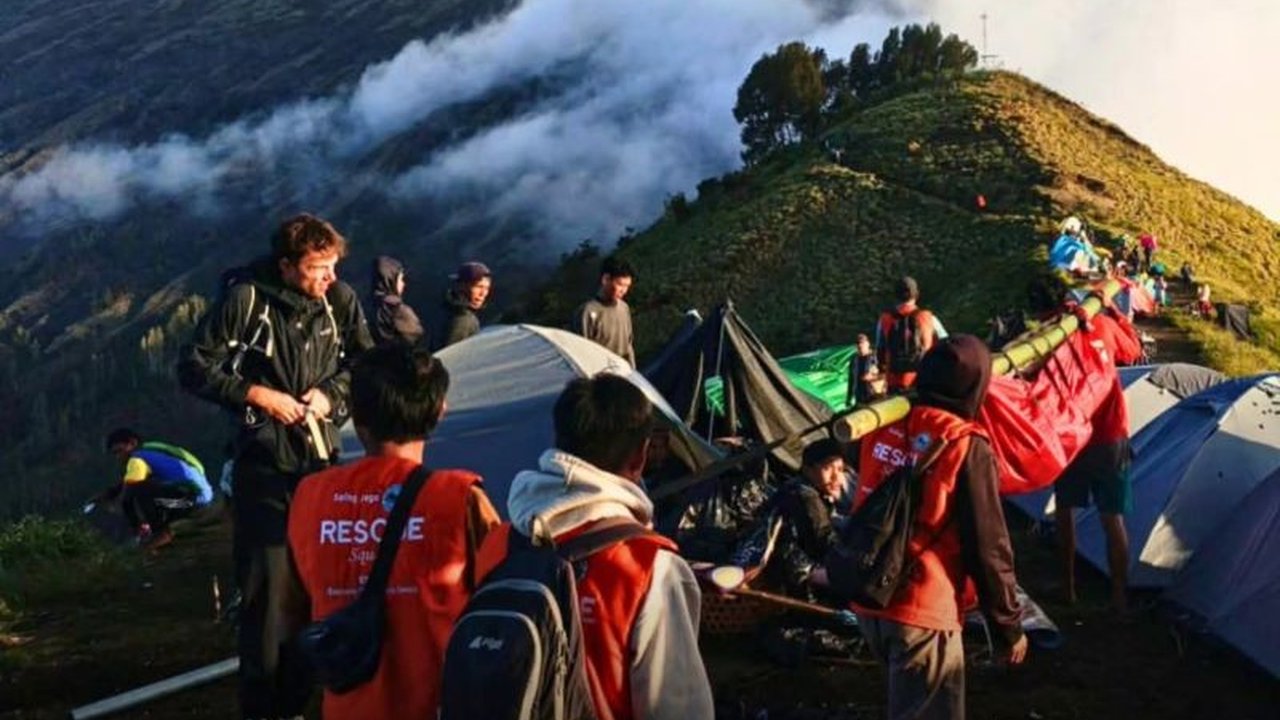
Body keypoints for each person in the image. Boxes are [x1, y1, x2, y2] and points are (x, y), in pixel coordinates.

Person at [178, 213, 374, 720]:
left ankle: (301, 696)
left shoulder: (339, 301)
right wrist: (257, 394)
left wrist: (331, 396)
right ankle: (264, 704)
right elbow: (193, 366)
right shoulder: (246, 299)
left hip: (321, 460)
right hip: (262, 460)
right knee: (267, 588)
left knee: (316, 582)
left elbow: (364, 363)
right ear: (286, 266)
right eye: (317, 268)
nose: (329, 277)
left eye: (333, 265)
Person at [283, 346, 500, 719]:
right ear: (439, 411)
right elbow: (502, 604)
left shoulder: (309, 497)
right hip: (441, 705)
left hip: (346, 708)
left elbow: (293, 609)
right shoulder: (460, 498)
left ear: (357, 418)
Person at [500, 374, 713, 718]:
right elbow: (679, 708)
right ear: (640, 457)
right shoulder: (649, 567)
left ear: (560, 444)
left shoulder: (497, 545)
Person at [854, 336, 1027, 720]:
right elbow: (989, 547)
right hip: (923, 609)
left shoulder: (881, 421)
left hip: (870, 599)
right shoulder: (964, 444)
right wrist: (1007, 627)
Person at [100, 429, 214, 549]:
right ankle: (162, 531)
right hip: (199, 498)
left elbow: (128, 495)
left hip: (189, 501)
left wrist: (136, 526)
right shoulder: (152, 449)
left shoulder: (136, 460)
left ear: (132, 443)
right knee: (149, 491)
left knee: (141, 491)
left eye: (120, 451)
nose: (118, 457)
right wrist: (112, 492)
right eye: (115, 454)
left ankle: (160, 533)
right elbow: (127, 482)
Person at [765, 438, 849, 599]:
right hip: (790, 576)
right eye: (827, 468)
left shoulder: (806, 490)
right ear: (808, 469)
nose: (836, 477)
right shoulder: (805, 495)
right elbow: (823, 539)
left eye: (840, 469)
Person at [875, 276, 947, 393]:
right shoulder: (929, 318)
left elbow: (880, 352)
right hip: (924, 380)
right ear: (916, 295)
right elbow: (947, 346)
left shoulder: (884, 320)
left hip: (894, 382)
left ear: (896, 296)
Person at [574, 256, 638, 367]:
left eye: (627, 286)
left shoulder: (624, 308)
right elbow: (582, 352)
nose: (624, 290)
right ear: (606, 279)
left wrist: (633, 371)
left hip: (623, 372)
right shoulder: (587, 312)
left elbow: (628, 345)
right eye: (620, 284)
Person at [428, 261, 491, 351]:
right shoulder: (462, 318)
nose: (483, 293)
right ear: (461, 286)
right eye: (478, 286)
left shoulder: (447, 308)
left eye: (487, 288)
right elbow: (451, 355)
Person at [369, 255, 424, 348]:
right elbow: (418, 340)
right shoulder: (400, 311)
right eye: (401, 279)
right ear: (391, 280)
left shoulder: (370, 307)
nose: (403, 284)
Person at [846, 332, 885, 407]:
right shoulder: (854, 360)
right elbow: (851, 379)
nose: (860, 345)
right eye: (858, 343)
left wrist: (873, 377)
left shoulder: (876, 357)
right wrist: (849, 397)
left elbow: (885, 375)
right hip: (859, 396)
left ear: (868, 344)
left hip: (874, 395)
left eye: (862, 343)